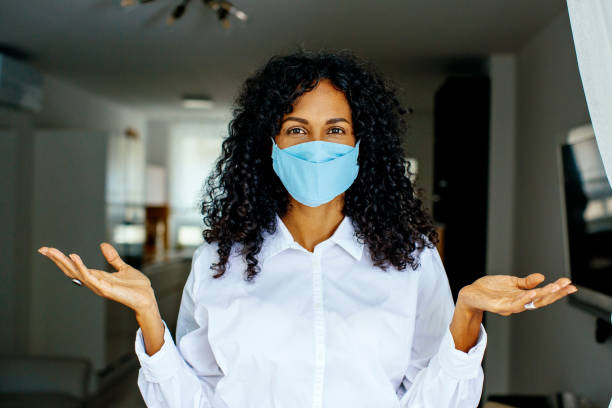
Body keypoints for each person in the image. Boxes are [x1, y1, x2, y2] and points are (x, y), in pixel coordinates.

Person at [38, 49, 577, 408]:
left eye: (335, 129)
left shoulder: (412, 258)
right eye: (296, 129)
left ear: (363, 146)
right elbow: (194, 401)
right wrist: (150, 318)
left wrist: (467, 315)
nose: (317, 144)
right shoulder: (218, 261)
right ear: (268, 146)